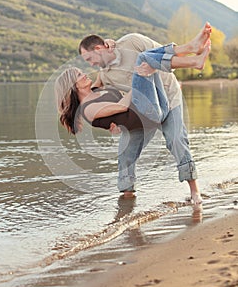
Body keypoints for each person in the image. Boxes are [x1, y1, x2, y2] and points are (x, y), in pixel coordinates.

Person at [55, 32, 211, 204]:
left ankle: (195, 191)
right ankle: (127, 203)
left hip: (167, 97)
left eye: (89, 59)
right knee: (125, 156)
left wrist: (145, 69)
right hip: (142, 115)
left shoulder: (131, 42)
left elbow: (160, 56)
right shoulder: (104, 78)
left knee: (176, 140)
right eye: (82, 70)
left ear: (99, 48)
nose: (89, 67)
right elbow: (104, 108)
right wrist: (112, 123)